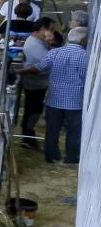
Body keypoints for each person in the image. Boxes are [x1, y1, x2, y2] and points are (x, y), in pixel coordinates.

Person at [37, 24, 88, 165]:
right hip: (75, 101)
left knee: (52, 130)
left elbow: (40, 68)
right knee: (74, 131)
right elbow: (86, 78)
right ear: (83, 41)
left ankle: (51, 156)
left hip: (54, 99)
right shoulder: (85, 56)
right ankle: (72, 158)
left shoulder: (54, 52)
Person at [16, 21, 57, 146]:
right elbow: (50, 61)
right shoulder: (35, 45)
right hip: (34, 82)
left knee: (34, 108)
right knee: (33, 109)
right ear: (42, 29)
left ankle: (29, 134)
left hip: (38, 81)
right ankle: (27, 137)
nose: (53, 32)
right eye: (51, 29)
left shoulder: (38, 40)